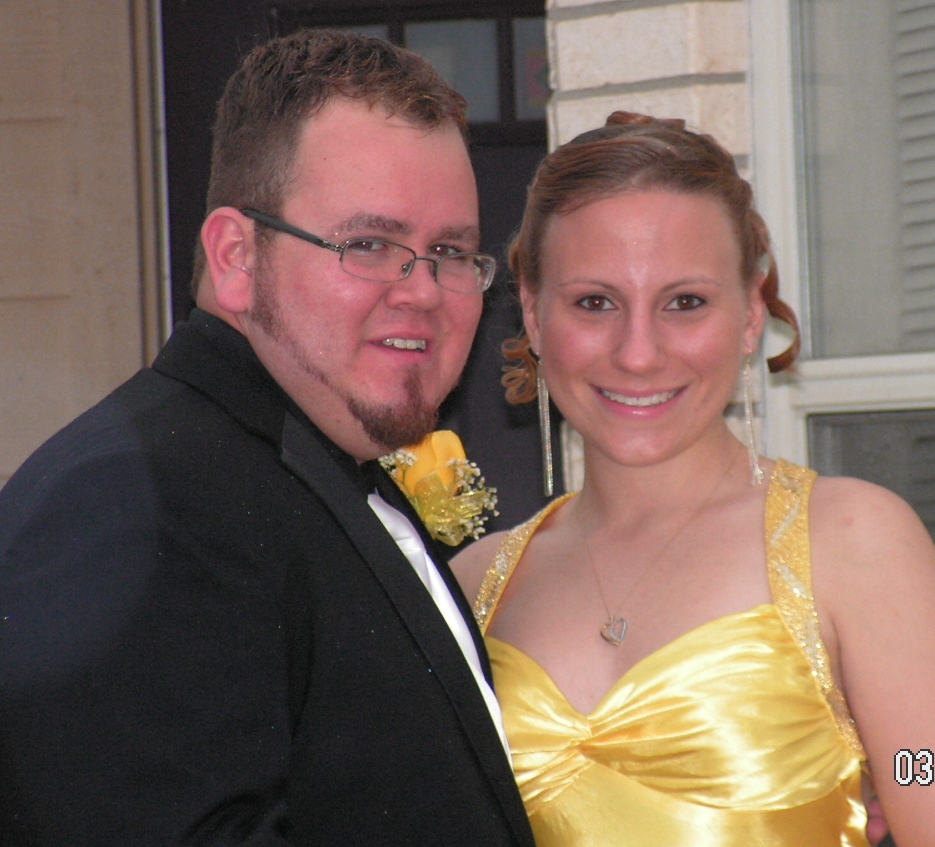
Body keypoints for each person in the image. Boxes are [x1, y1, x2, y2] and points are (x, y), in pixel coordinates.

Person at [0, 30, 535, 847]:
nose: (424, 290)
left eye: (451, 252)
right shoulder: (134, 502)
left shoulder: (309, 469)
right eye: (369, 244)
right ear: (236, 256)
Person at [453, 112, 935, 846]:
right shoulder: (472, 587)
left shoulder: (850, 541)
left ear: (749, 313)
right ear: (533, 313)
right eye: (594, 303)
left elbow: (921, 771)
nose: (638, 353)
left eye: (685, 302)